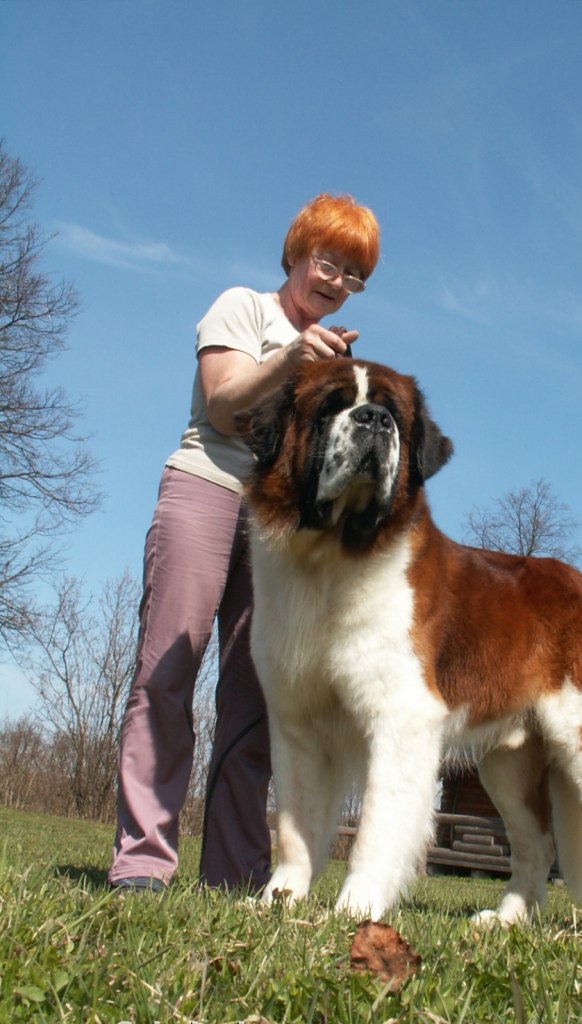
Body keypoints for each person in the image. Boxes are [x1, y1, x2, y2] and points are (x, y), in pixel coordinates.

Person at [108, 193, 381, 891]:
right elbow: (226, 405)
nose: (335, 281)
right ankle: (143, 861)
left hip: (276, 524)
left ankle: (232, 874)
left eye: (353, 275)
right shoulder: (243, 309)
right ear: (296, 252)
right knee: (168, 671)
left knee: (257, 696)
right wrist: (292, 358)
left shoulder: (325, 357)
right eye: (328, 261)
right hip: (204, 489)